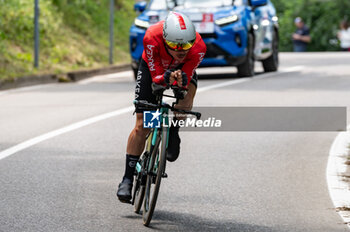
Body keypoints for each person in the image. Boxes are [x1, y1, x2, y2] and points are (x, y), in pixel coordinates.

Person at [116, 11, 207, 203]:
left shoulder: (199, 47)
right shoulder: (152, 37)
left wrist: (179, 82)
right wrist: (163, 78)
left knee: (186, 100)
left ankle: (174, 130)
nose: (181, 50)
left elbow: (186, 76)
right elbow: (157, 79)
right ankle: (127, 178)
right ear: (165, 39)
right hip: (152, 68)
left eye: (186, 45)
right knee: (143, 125)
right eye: (174, 45)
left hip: (182, 71)